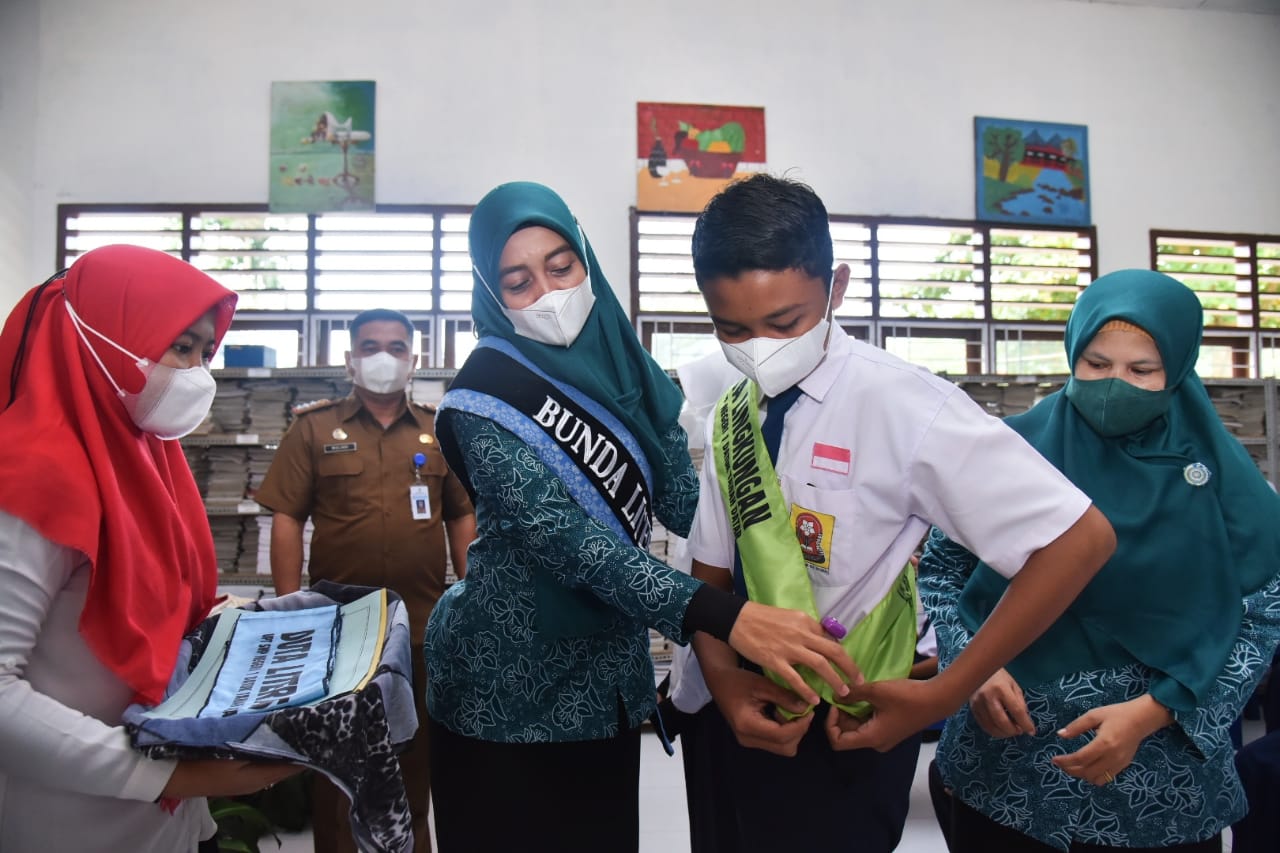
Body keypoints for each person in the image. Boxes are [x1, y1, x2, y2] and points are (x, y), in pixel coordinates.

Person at [683, 173, 1117, 852]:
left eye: (786, 322)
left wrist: (946, 693)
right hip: (742, 709)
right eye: (732, 328)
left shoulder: (907, 407)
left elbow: (1080, 541)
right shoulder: (731, 411)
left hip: (852, 722)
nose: (760, 347)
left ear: (838, 287)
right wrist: (722, 682)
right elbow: (710, 573)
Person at [423, 181, 861, 853]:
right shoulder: (484, 396)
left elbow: (690, 501)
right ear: (491, 292)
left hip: (604, 683)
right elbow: (570, 543)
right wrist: (728, 615)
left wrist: (805, 561)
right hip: (503, 691)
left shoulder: (626, 366)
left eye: (561, 266)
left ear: (586, 260)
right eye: (517, 281)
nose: (547, 292)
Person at [919, 268, 1280, 852]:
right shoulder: (1012, 450)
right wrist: (974, 667)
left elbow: (1263, 613)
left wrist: (1152, 713)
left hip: (1160, 780)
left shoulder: (1221, 479)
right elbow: (941, 569)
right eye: (1096, 364)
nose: (1116, 385)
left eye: (1141, 371)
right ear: (1072, 355)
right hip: (1009, 769)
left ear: (1178, 370)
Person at [0, 244, 298, 852]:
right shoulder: (29, 478)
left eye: (203, 353)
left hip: (170, 825)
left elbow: (153, 610)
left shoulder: (145, 458)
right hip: (74, 828)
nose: (195, 372)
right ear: (102, 337)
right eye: (180, 346)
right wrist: (171, 773)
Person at [255, 307, 477, 853]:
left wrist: (473, 597)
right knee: (336, 777)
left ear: (414, 360)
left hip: (419, 629)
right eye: (371, 346)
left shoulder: (438, 429)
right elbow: (287, 517)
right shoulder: (312, 428)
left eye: (397, 347)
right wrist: (291, 611)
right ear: (350, 359)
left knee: (415, 768)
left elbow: (461, 516)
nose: (385, 357)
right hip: (337, 634)